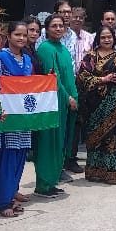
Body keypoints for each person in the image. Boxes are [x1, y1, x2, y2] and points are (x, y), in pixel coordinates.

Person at [77, 26, 116, 184]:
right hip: (95, 106)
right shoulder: (90, 57)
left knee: (115, 138)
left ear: (114, 38)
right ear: (98, 39)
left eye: (109, 37)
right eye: (103, 37)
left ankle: (113, 172)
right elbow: (82, 78)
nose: (107, 40)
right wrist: (102, 80)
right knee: (96, 139)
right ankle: (95, 172)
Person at [0, 21, 36, 217]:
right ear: (8, 36)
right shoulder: (0, 57)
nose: (21, 38)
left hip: (24, 115)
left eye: (24, 35)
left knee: (20, 155)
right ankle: (2, 202)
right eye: (17, 34)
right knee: (8, 156)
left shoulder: (27, 59)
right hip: (8, 116)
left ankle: (11, 194)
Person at [35, 14, 79, 198]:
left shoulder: (63, 49)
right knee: (49, 142)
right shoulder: (46, 48)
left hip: (66, 102)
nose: (59, 29)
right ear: (47, 29)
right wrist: (67, 96)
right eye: (54, 26)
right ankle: (44, 184)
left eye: (61, 26)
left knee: (60, 141)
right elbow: (53, 77)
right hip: (53, 101)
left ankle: (52, 180)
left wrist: (74, 95)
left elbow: (69, 75)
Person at [67, 7, 95, 174]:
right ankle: (65, 157)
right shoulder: (64, 36)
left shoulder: (89, 38)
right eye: (74, 17)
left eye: (80, 18)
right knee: (69, 122)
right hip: (67, 83)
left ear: (84, 20)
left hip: (84, 84)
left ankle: (73, 157)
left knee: (80, 122)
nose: (77, 20)